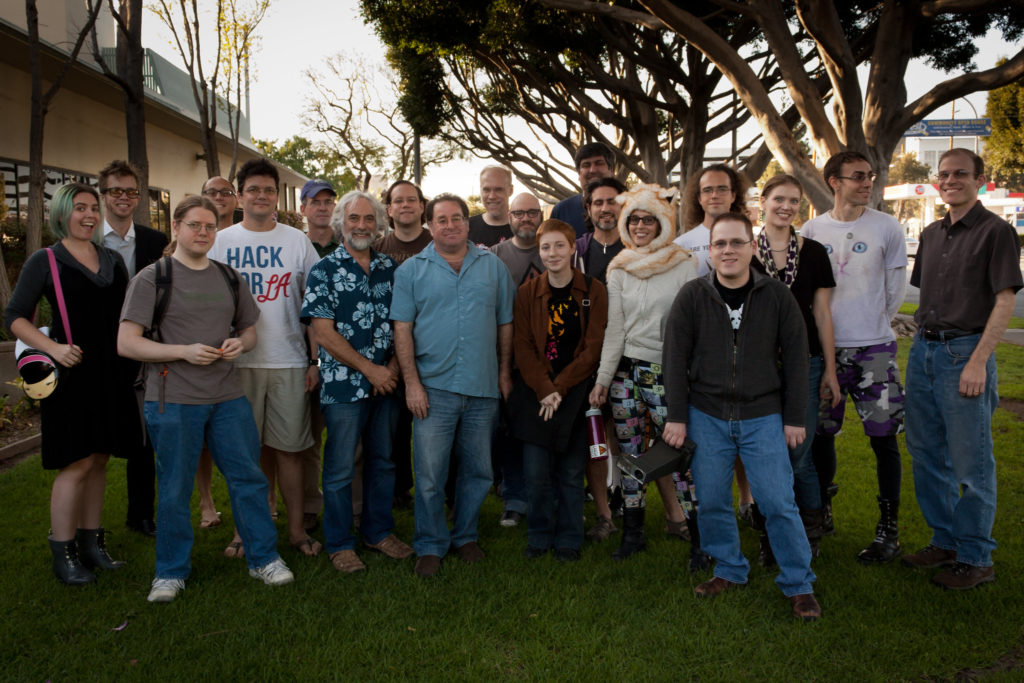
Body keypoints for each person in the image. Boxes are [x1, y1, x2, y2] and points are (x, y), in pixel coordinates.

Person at [117, 194, 294, 602]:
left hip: (227, 397)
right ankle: (170, 571)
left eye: (210, 226)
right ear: (176, 228)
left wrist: (239, 343)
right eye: (194, 225)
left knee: (248, 479)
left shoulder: (229, 277)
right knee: (175, 488)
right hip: (173, 398)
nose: (202, 232)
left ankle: (263, 558)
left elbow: (249, 329)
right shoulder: (152, 278)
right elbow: (127, 343)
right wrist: (182, 351)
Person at [662, 211, 821, 621]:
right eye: (720, 244)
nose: (728, 250)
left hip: (762, 414)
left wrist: (794, 418)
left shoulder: (776, 296)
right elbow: (674, 360)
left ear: (752, 247)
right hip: (706, 415)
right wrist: (676, 417)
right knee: (712, 499)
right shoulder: (692, 297)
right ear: (710, 251)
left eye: (736, 242)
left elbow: (798, 361)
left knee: (777, 501)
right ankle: (730, 569)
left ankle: (799, 583)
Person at [6, 182, 141, 584]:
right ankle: (63, 551)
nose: (88, 215)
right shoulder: (44, 260)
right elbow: (14, 317)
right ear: (62, 214)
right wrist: (54, 348)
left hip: (112, 373)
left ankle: (91, 543)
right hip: (72, 375)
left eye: (92, 209)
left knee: (99, 457)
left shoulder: (113, 260)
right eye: (79, 208)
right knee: (76, 461)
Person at [902, 148, 1023, 590]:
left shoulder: (997, 232)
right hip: (923, 353)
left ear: (980, 179)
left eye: (960, 174)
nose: (950, 180)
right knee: (926, 453)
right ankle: (945, 540)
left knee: (972, 463)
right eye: (944, 175)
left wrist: (978, 361)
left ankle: (975, 556)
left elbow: (1005, 300)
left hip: (964, 355)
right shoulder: (932, 235)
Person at [391, 193, 515, 578]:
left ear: (467, 222)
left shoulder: (493, 268)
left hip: (481, 388)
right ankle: (430, 544)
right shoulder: (411, 271)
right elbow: (402, 329)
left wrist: (504, 372)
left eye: (457, 218)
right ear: (430, 225)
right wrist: (411, 384)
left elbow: (505, 323)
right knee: (430, 475)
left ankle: (465, 535)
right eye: (441, 219)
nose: (450, 225)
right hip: (433, 389)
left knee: (478, 470)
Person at [207, 158, 322, 559]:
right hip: (237, 365)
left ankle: (294, 531)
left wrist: (313, 361)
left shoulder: (296, 241)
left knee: (290, 451)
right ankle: (245, 531)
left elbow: (315, 307)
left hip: (289, 361)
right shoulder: (222, 242)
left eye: (268, 190)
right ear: (240, 196)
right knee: (247, 455)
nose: (261, 196)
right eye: (253, 189)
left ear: (277, 196)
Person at [587, 183, 703, 565]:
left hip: (665, 372)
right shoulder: (618, 267)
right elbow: (614, 330)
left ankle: (700, 537)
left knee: (678, 454)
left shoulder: (685, 263)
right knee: (631, 453)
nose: (639, 226)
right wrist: (603, 380)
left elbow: (691, 329)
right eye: (633, 219)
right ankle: (634, 533)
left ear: (662, 222)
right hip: (625, 375)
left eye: (648, 219)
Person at [800, 151, 908, 564]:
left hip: (874, 350)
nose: (868, 183)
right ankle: (823, 511)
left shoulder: (887, 227)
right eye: (859, 177)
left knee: (883, 439)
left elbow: (895, 288)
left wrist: (874, 324)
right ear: (834, 181)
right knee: (822, 435)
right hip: (825, 350)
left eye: (871, 176)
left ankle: (888, 529)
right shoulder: (812, 229)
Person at [301, 191, 413, 573]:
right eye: (354, 219)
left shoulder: (390, 269)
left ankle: (378, 532)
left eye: (369, 219)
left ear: (379, 224)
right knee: (340, 466)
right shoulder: (324, 270)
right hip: (344, 385)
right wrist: (372, 370)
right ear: (340, 223)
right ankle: (339, 542)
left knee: (383, 460)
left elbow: (404, 321)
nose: (362, 225)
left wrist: (394, 368)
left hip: (387, 383)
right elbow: (323, 332)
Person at [750, 174, 840, 563]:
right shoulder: (745, 250)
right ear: (763, 201)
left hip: (805, 362)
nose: (786, 207)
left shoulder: (815, 252)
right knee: (768, 453)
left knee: (798, 454)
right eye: (779, 199)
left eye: (794, 201)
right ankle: (773, 532)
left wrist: (831, 371)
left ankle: (808, 530)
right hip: (760, 366)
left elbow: (822, 314)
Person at [510, 219, 607, 561]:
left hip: (574, 394)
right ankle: (538, 536)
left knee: (569, 472)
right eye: (545, 247)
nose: (552, 253)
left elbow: (593, 348)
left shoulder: (593, 290)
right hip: (537, 394)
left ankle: (569, 538)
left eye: (559, 246)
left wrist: (560, 389)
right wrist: (543, 388)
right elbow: (522, 347)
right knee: (536, 474)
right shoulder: (527, 292)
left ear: (572, 249)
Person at [98, 161, 169, 539]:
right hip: (95, 352)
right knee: (95, 438)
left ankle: (141, 514)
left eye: (130, 191)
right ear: (103, 194)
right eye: (115, 191)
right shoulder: (87, 238)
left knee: (144, 437)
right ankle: (83, 524)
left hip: (142, 351)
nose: (123, 198)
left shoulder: (155, 242)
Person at [572, 176, 627, 542]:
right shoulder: (576, 250)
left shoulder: (638, 247)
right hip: (587, 356)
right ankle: (603, 512)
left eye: (613, 201)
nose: (606, 208)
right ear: (588, 210)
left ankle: (626, 497)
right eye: (598, 203)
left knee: (625, 434)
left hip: (630, 355)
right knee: (595, 435)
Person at [374, 180, 432, 507]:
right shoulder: (378, 247)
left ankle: (437, 491)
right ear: (390, 209)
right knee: (392, 430)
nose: (406, 205)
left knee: (431, 429)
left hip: (432, 349)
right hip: (386, 354)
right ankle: (398, 490)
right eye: (399, 200)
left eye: (412, 200)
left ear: (422, 206)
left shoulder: (436, 242)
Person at [489, 192, 545, 528]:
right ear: (509, 217)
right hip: (507, 358)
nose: (526, 218)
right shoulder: (496, 256)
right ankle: (513, 497)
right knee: (507, 431)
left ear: (541, 216)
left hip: (549, 359)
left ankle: (546, 496)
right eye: (519, 213)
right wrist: (502, 366)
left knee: (544, 431)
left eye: (532, 213)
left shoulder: (554, 248)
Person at [193, 175, 240, 529]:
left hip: (239, 348)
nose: (220, 197)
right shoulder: (198, 237)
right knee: (201, 442)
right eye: (213, 193)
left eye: (226, 192)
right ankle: (207, 502)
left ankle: (258, 505)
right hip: (199, 353)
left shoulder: (241, 235)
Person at [297, 178, 339, 534]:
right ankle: (310, 505)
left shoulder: (350, 246)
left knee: (345, 437)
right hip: (307, 353)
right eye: (316, 202)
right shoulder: (296, 246)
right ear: (303, 208)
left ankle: (350, 506)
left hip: (348, 357)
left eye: (328, 202)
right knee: (309, 437)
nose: (323, 207)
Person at [676, 164, 749, 277]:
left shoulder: (749, 240)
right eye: (707, 190)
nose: (714, 195)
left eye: (722, 189)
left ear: (733, 196)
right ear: (699, 198)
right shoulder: (681, 245)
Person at [550, 142, 615, 237]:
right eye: (586, 165)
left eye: (599, 163)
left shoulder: (630, 207)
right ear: (579, 174)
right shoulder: (561, 211)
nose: (592, 170)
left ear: (612, 171)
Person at [467, 166, 514, 247]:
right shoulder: (466, 228)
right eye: (486, 190)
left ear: (511, 190)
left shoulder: (522, 228)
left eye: (498, 189)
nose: (492, 196)